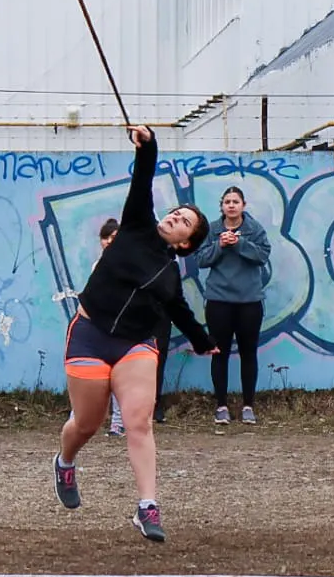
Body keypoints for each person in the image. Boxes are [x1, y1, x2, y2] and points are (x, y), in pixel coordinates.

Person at [53, 125, 218, 543]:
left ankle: (147, 506)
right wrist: (149, 148)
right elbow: (142, 182)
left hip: (135, 344)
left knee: (138, 422)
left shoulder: (170, 276)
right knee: (87, 424)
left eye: (185, 222)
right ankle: (66, 462)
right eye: (177, 212)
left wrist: (202, 341)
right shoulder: (137, 225)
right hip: (90, 334)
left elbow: (180, 310)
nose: (175, 217)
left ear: (186, 244)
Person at [194, 186, 272, 426]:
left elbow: (263, 255)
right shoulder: (212, 230)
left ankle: (248, 405)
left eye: (235, 201)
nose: (231, 205)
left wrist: (238, 244)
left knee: (249, 353)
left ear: (243, 205)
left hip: (249, 301)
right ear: (222, 206)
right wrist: (221, 245)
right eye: (226, 201)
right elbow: (201, 259)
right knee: (220, 353)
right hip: (219, 301)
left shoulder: (254, 229)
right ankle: (221, 406)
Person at [94, 218, 126, 438]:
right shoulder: (98, 265)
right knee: (96, 375)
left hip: (122, 328)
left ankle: (118, 422)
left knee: (119, 377)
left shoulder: (128, 265)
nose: (108, 242)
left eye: (113, 238)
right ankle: (85, 417)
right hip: (100, 326)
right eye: (105, 238)